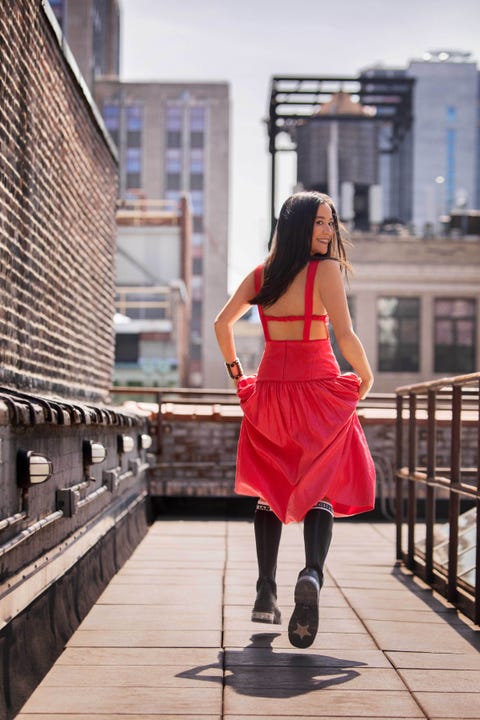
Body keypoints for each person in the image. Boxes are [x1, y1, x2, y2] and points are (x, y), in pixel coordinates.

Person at [214, 191, 375, 649]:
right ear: (298, 225)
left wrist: (237, 378)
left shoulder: (262, 275)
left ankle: (266, 590)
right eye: (319, 222)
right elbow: (344, 334)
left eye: (331, 223)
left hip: (269, 392)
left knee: (271, 484)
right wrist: (365, 377)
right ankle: (312, 573)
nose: (327, 231)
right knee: (321, 483)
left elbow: (221, 324)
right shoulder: (324, 272)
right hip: (320, 388)